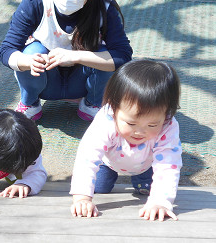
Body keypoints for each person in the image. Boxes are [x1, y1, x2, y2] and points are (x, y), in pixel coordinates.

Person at [69, 59, 182, 221]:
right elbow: (87, 156)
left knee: (148, 191)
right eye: (131, 123)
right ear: (114, 108)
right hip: (109, 162)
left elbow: (167, 164)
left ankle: (141, 181)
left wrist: (160, 202)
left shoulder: (168, 126)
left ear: (166, 114)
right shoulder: (106, 120)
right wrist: (82, 198)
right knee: (100, 188)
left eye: (152, 124)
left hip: (146, 165)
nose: (139, 131)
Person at [0, 0, 133, 121]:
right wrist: (29, 61)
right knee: (32, 51)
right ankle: (30, 102)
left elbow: (123, 56)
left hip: (83, 85)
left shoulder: (103, 7)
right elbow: (7, 50)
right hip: (46, 83)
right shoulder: (35, 3)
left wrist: (76, 56)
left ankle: (93, 103)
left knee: (103, 53)